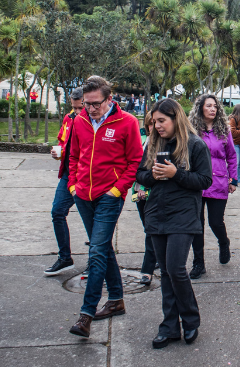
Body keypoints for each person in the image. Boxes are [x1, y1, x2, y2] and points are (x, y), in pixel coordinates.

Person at [67, 76, 143, 338]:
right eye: (86, 104)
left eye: (95, 103)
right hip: (83, 195)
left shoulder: (128, 122)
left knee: (96, 252)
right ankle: (117, 300)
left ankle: (86, 314)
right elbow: (74, 155)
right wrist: (73, 186)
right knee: (102, 247)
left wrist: (116, 190)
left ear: (109, 99)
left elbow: (135, 161)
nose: (90, 108)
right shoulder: (79, 121)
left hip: (109, 196)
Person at [136, 98, 212, 348]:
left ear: (175, 118)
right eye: (154, 121)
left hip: (184, 215)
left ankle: (191, 321)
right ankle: (169, 327)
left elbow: (204, 180)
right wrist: (155, 176)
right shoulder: (154, 143)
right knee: (166, 272)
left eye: (161, 121)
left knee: (176, 269)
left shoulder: (195, 144)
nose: (156, 126)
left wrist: (175, 174)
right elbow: (141, 175)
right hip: (157, 213)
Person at [188, 94, 237, 279]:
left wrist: (234, 179)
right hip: (196, 183)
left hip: (218, 182)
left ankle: (223, 242)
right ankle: (198, 263)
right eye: (208, 106)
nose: (212, 109)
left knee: (215, 222)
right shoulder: (191, 130)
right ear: (200, 108)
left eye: (215, 106)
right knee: (196, 225)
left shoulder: (224, 129)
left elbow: (232, 155)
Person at [44, 87, 85, 276]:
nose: (77, 112)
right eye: (74, 108)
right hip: (69, 174)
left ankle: (98, 259)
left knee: (92, 219)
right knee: (57, 212)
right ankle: (65, 257)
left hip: (86, 176)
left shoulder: (93, 121)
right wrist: (57, 152)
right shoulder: (69, 118)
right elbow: (62, 141)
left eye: (80, 108)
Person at [134, 113, 158, 286]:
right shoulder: (142, 140)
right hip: (139, 191)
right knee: (148, 229)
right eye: (151, 124)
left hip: (154, 193)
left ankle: (147, 269)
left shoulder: (165, 143)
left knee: (151, 230)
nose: (154, 127)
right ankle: (156, 257)